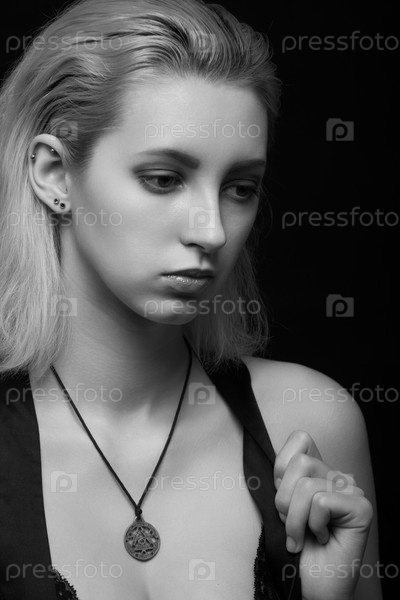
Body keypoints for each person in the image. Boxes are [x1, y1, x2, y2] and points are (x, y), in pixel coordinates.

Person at [0, 0, 382, 598]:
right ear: (54, 173)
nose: (213, 231)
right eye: (163, 179)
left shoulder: (309, 422)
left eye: (240, 188)